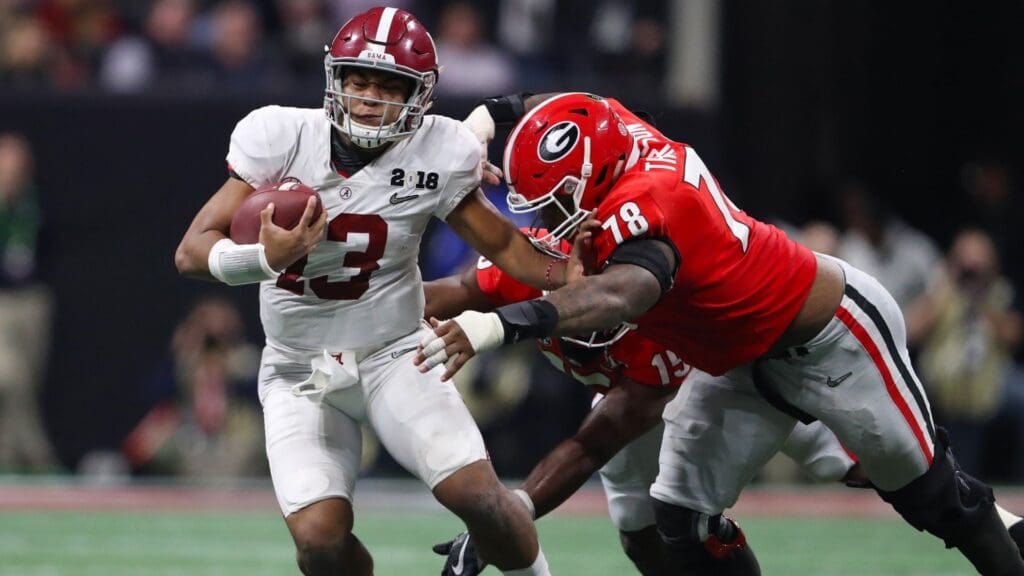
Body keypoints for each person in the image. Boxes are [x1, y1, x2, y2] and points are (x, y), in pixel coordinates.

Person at [416, 92, 1024, 575]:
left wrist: (498, 326)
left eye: (553, 204)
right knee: (681, 520)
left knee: (930, 497)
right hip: (730, 361)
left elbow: (621, 296)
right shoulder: (614, 134)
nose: (544, 222)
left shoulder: (649, 207)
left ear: (591, 183)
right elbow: (544, 105)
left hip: (826, 336)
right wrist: (480, 124)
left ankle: (996, 526)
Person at [174, 8, 584, 575]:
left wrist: (574, 277)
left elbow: (506, 247)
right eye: (358, 81)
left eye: (389, 86)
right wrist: (264, 259)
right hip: (300, 370)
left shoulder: (439, 151)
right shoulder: (281, 137)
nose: (369, 97)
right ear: (334, 80)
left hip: (396, 352)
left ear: (420, 95)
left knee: (478, 497)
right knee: (319, 541)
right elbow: (191, 250)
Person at [424, 242, 866, 576]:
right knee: (639, 533)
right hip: (629, 391)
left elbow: (594, 444)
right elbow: (456, 290)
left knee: (853, 462)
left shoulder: (656, 323)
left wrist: (508, 518)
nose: (591, 317)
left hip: (723, 371)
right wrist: (367, 308)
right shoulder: (532, 263)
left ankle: (922, 474)